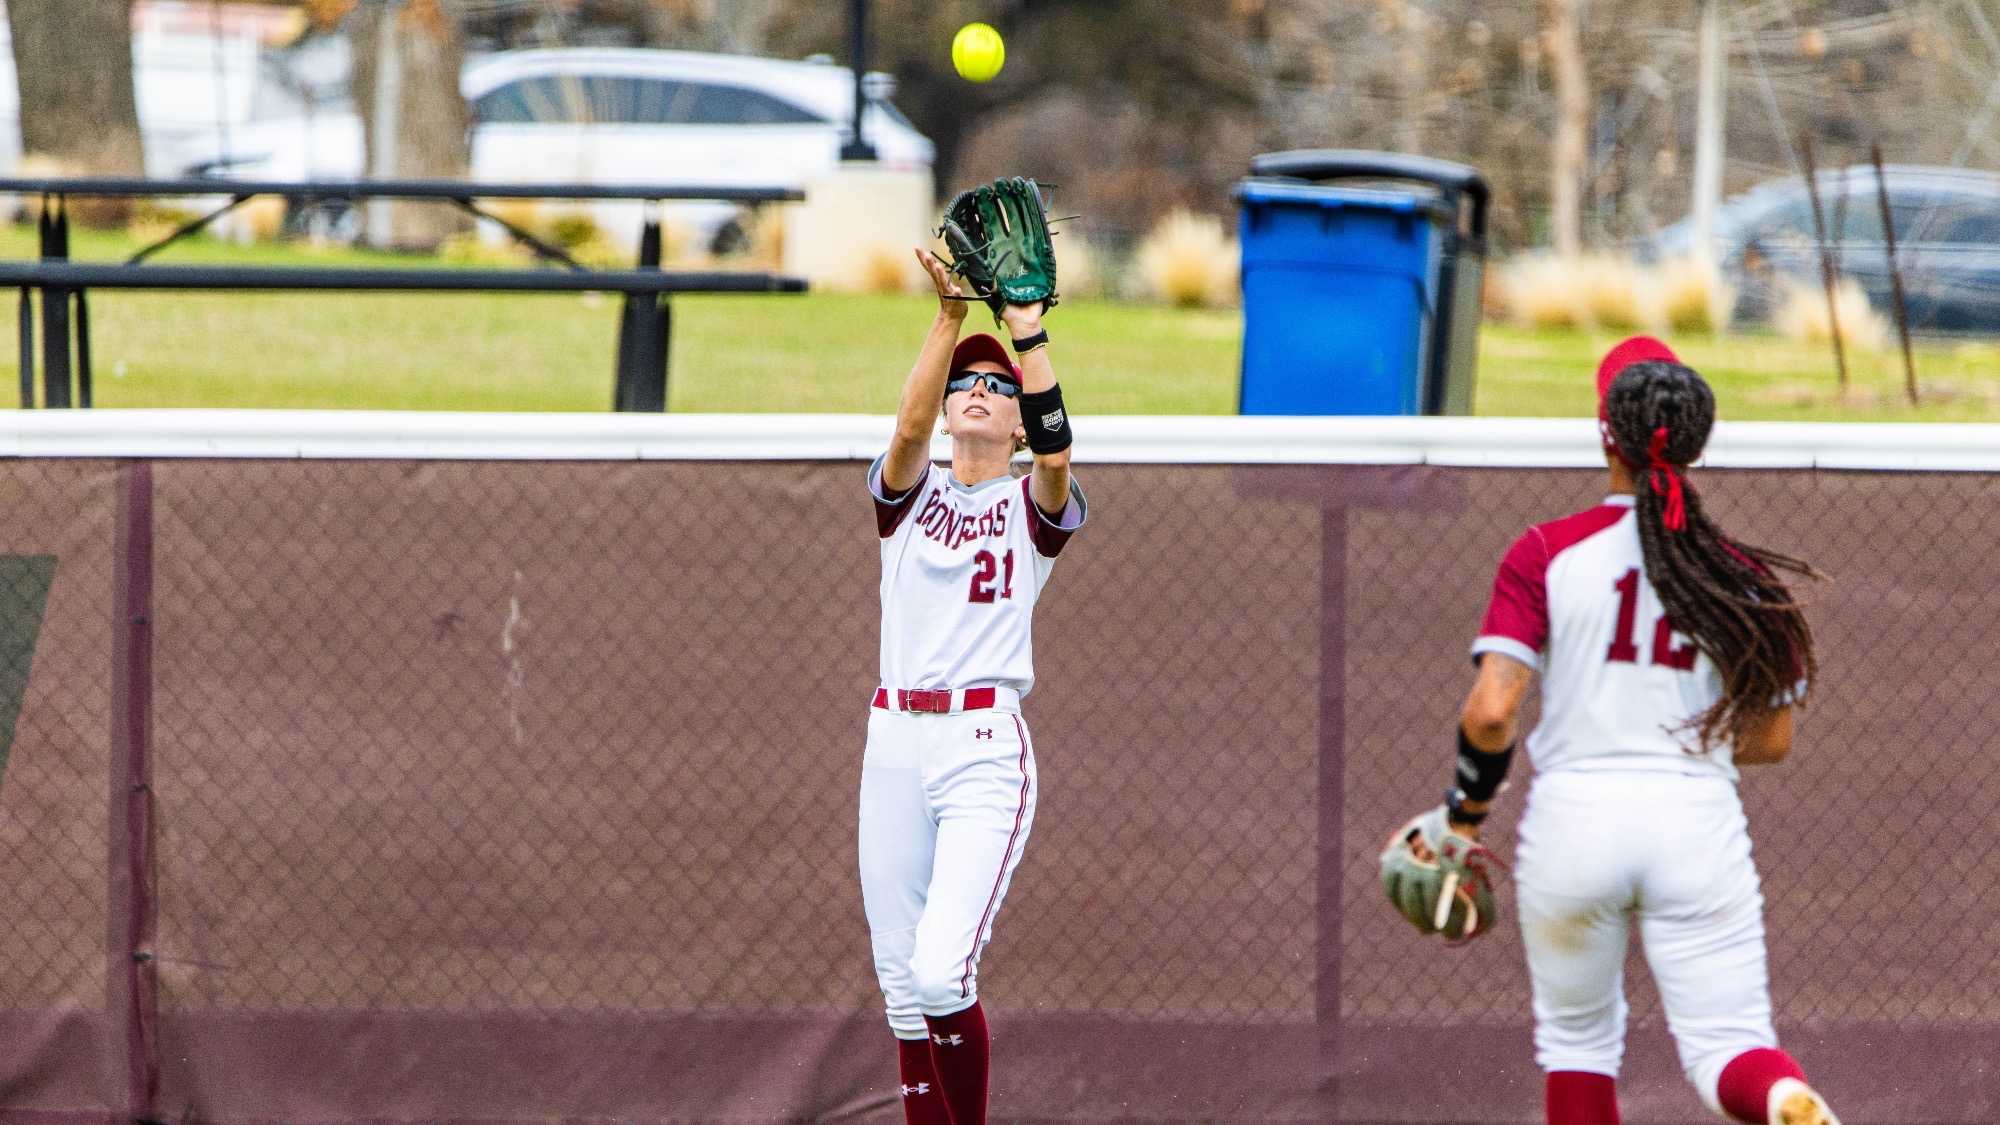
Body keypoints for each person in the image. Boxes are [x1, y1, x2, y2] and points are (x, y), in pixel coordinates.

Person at [1443, 338, 1840, 1125]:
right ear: (1696, 440)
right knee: (1729, 1044)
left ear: (1604, 430)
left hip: (1574, 822)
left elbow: (1492, 709)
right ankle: (1785, 1098)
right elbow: (1772, 737)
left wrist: (1461, 818)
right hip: (1695, 822)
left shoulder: (1545, 551)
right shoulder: (1738, 571)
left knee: (1579, 1045)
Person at [858, 247, 1086, 1125]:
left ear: (1019, 420)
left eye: (997, 384)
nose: (980, 390)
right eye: (966, 383)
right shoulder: (910, 498)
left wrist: (1025, 332)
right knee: (901, 986)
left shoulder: (1035, 498)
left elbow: (1062, 450)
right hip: (894, 741)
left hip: (982, 745)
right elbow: (907, 437)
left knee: (940, 970)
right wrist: (950, 316)